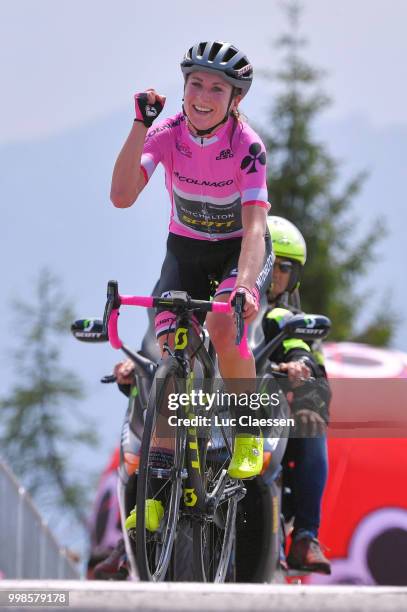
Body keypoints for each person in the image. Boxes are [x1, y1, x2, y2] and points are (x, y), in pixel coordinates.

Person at [110, 39, 274, 511]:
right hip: (184, 253)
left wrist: (244, 285)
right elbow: (121, 195)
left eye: (216, 89)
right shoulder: (168, 133)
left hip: (235, 253)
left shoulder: (247, 146)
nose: (202, 96)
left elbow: (256, 227)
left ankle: (247, 432)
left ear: (235, 99)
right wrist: (140, 126)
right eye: (194, 84)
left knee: (224, 328)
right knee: (172, 359)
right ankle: (158, 493)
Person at [262, 215, 331, 574]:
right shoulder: (223, 304)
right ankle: (132, 540)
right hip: (214, 404)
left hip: (266, 412)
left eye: (284, 268)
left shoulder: (292, 318)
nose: (274, 275)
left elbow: (306, 357)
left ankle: (305, 536)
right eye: (267, 262)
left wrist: (300, 371)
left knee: (312, 421)